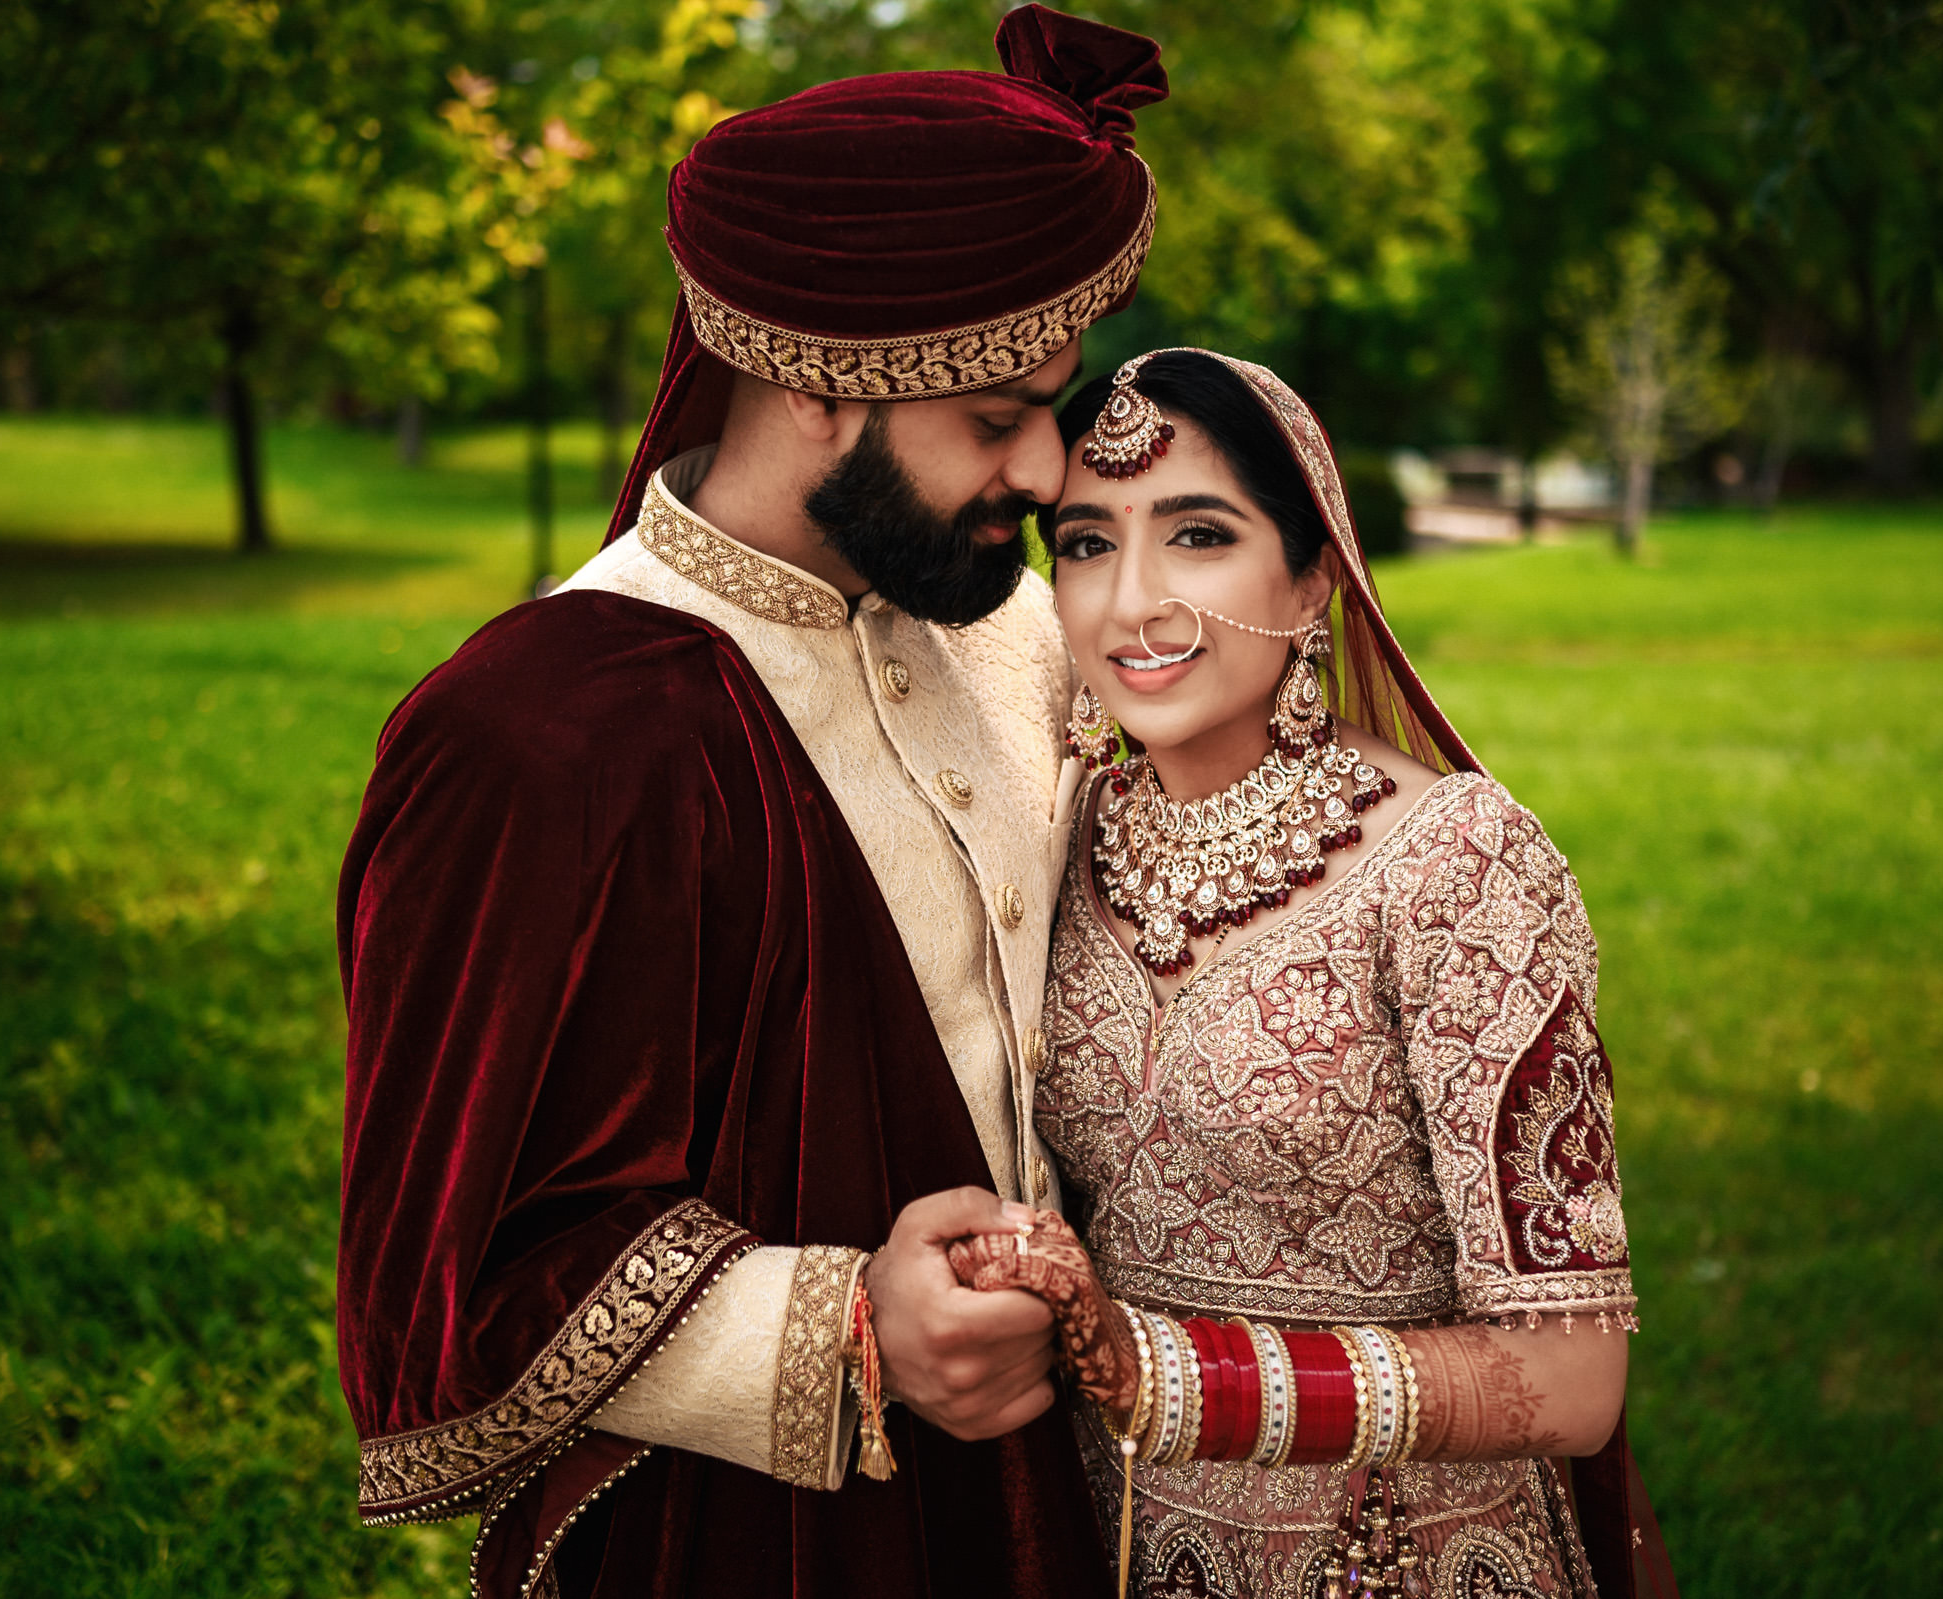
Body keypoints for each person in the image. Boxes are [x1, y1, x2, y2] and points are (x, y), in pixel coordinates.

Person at [333, 12, 1167, 1598]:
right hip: (740, 1543)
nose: (1052, 470)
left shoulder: (1018, 628)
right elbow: (447, 1277)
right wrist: (849, 1324)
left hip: (1063, 1503)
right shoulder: (544, 730)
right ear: (816, 386)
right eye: (995, 416)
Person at [953, 350, 1677, 1599]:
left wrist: (1174, 1379)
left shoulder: (1455, 865)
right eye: (1083, 542)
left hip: (1401, 1557)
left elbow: (1571, 1383)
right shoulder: (1059, 836)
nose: (1132, 604)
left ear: (1313, 575)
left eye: (1198, 534)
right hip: (1115, 1539)